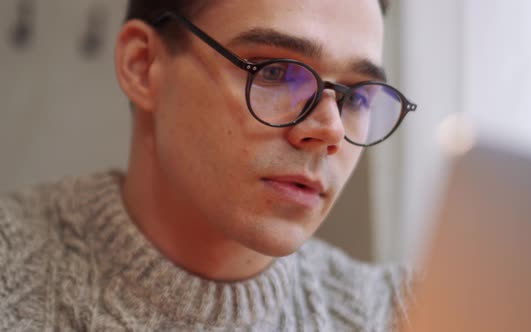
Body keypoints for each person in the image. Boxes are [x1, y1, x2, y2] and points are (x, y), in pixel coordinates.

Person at [0, 0, 417, 330]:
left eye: (358, 97)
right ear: (143, 66)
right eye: (275, 72)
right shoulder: (12, 269)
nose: (331, 130)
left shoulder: (408, 313)